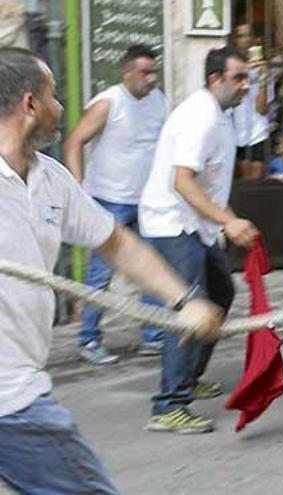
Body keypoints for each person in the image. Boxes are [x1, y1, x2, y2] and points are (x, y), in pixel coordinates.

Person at [0, 47, 221, 493]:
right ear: (30, 104)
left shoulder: (52, 179)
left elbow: (116, 242)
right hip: (11, 398)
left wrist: (185, 300)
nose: (60, 107)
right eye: (53, 95)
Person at [138, 46, 260, 434]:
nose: (245, 85)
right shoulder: (199, 117)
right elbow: (182, 181)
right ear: (214, 79)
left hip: (196, 226)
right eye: (238, 77)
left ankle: (188, 376)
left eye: (248, 77)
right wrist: (229, 222)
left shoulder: (221, 114)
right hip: (173, 224)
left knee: (221, 295)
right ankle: (169, 405)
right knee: (191, 310)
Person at [62, 44, 168, 364]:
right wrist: (78, 189)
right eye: (144, 72)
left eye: (154, 71)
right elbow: (73, 142)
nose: (151, 78)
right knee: (100, 275)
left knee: (151, 267)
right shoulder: (109, 102)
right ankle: (88, 339)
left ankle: (153, 336)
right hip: (109, 201)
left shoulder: (159, 101)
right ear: (127, 73)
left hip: (146, 200)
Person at [232, 27, 273, 180]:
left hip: (257, 134)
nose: (244, 40)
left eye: (248, 35)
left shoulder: (263, 70)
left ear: (255, 40)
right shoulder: (231, 69)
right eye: (240, 36)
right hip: (235, 135)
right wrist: (245, 71)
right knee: (240, 184)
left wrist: (262, 79)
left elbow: (262, 109)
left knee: (254, 183)